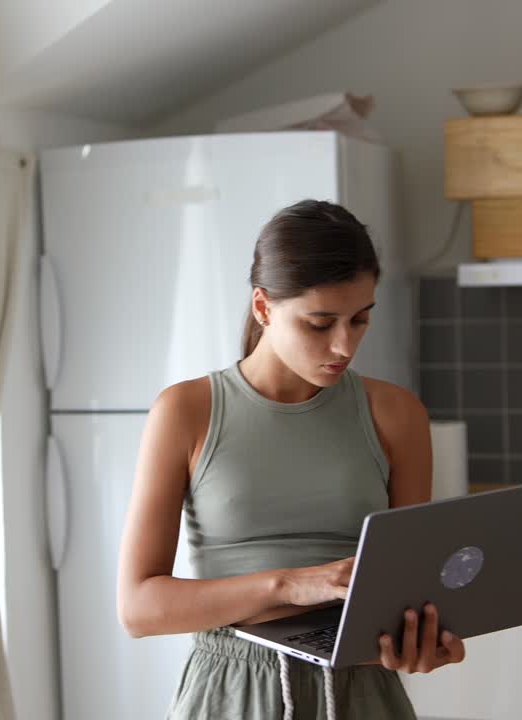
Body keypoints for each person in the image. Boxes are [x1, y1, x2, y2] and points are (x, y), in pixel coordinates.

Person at [117, 199, 466, 720]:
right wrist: (289, 584)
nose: (344, 345)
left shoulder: (398, 415)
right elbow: (139, 609)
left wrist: (421, 643)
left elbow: (408, 595)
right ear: (263, 307)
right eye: (320, 323)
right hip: (230, 691)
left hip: (361, 693)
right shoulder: (186, 411)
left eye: (360, 319)